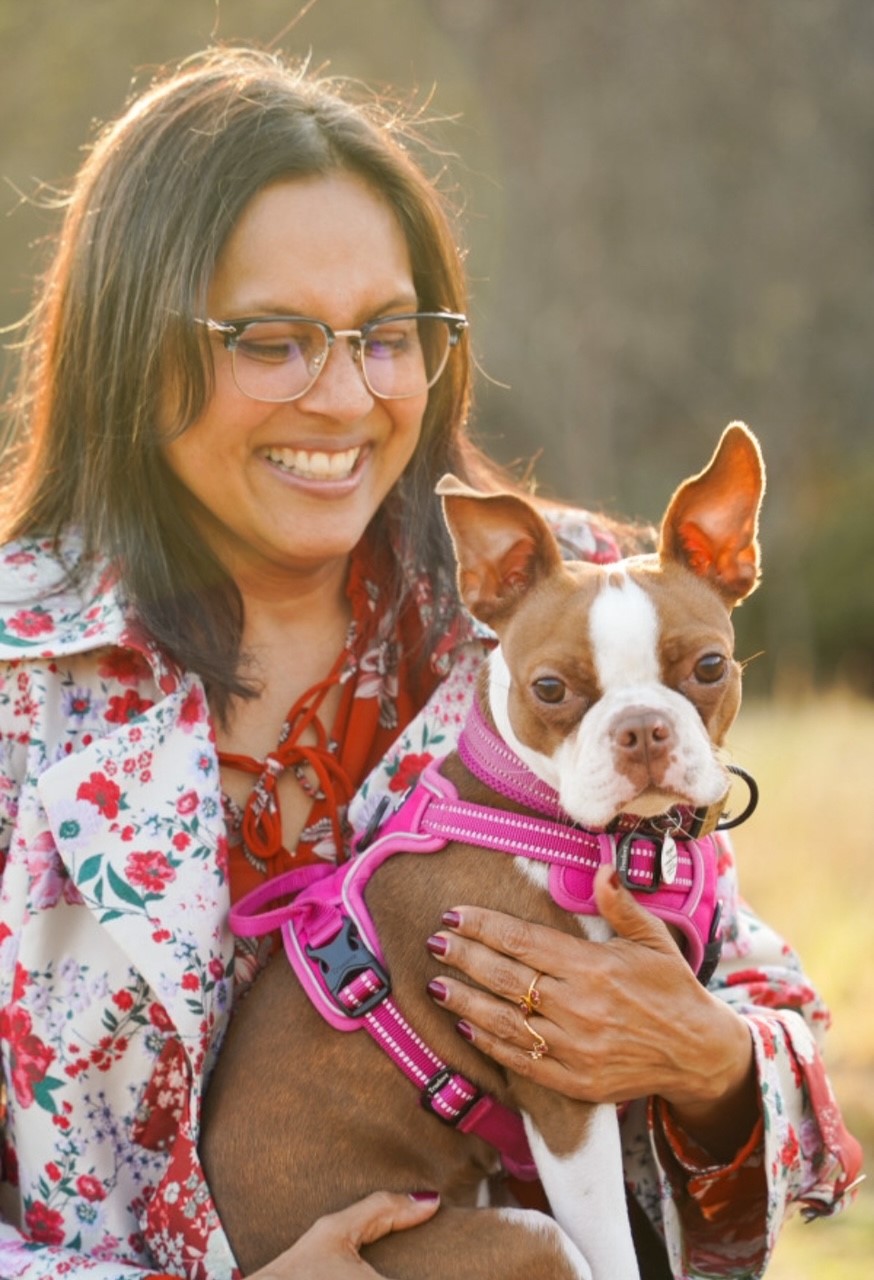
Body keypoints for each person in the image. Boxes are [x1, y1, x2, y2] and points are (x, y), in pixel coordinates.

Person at [0, 44, 861, 1280]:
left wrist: (709, 1059)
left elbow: (793, 1088)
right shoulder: (25, 676)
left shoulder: (567, 606)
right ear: (135, 346)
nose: (346, 395)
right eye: (273, 338)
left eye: (387, 332)